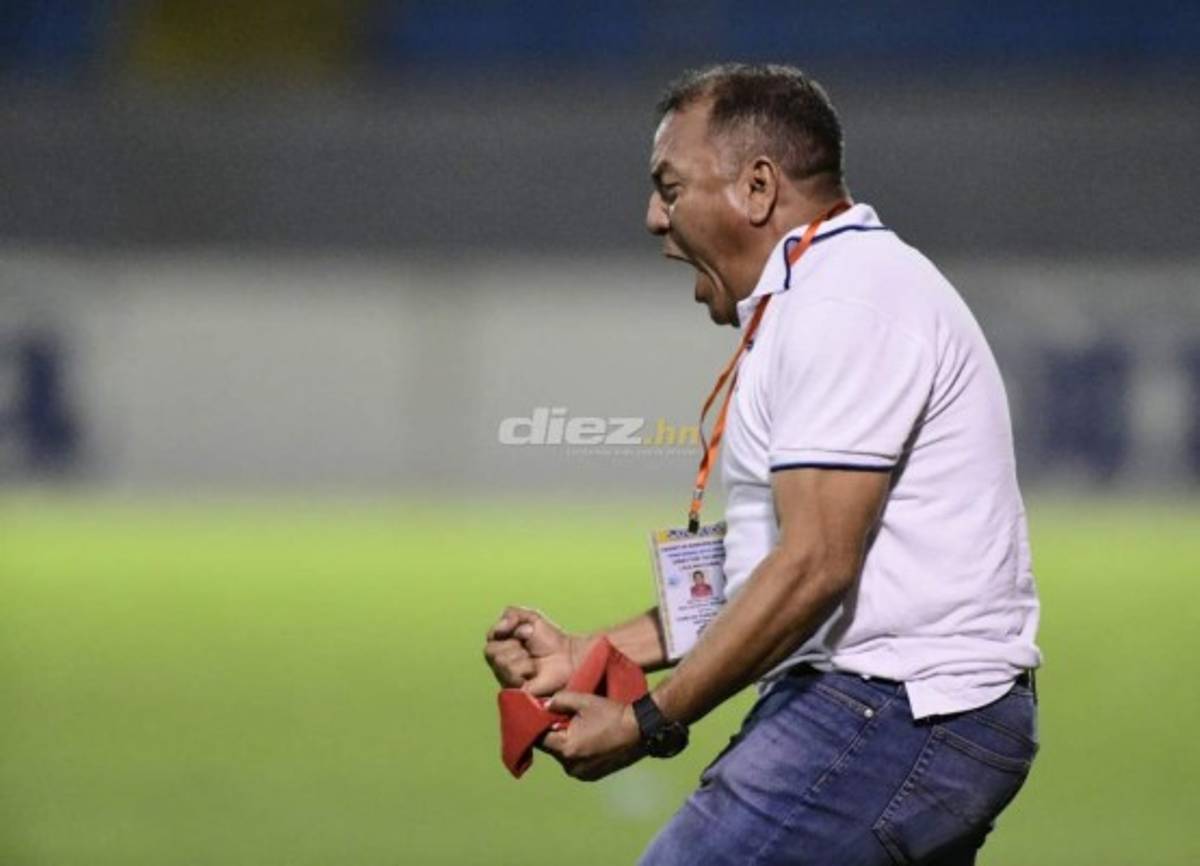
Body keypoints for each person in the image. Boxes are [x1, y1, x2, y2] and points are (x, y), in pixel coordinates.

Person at [484, 63, 1041, 866]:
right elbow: (774, 562)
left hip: (893, 710)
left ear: (756, 188)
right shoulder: (823, 293)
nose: (653, 217)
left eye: (670, 188)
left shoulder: (846, 301)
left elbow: (814, 564)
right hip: (907, 713)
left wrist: (649, 720)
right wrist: (596, 653)